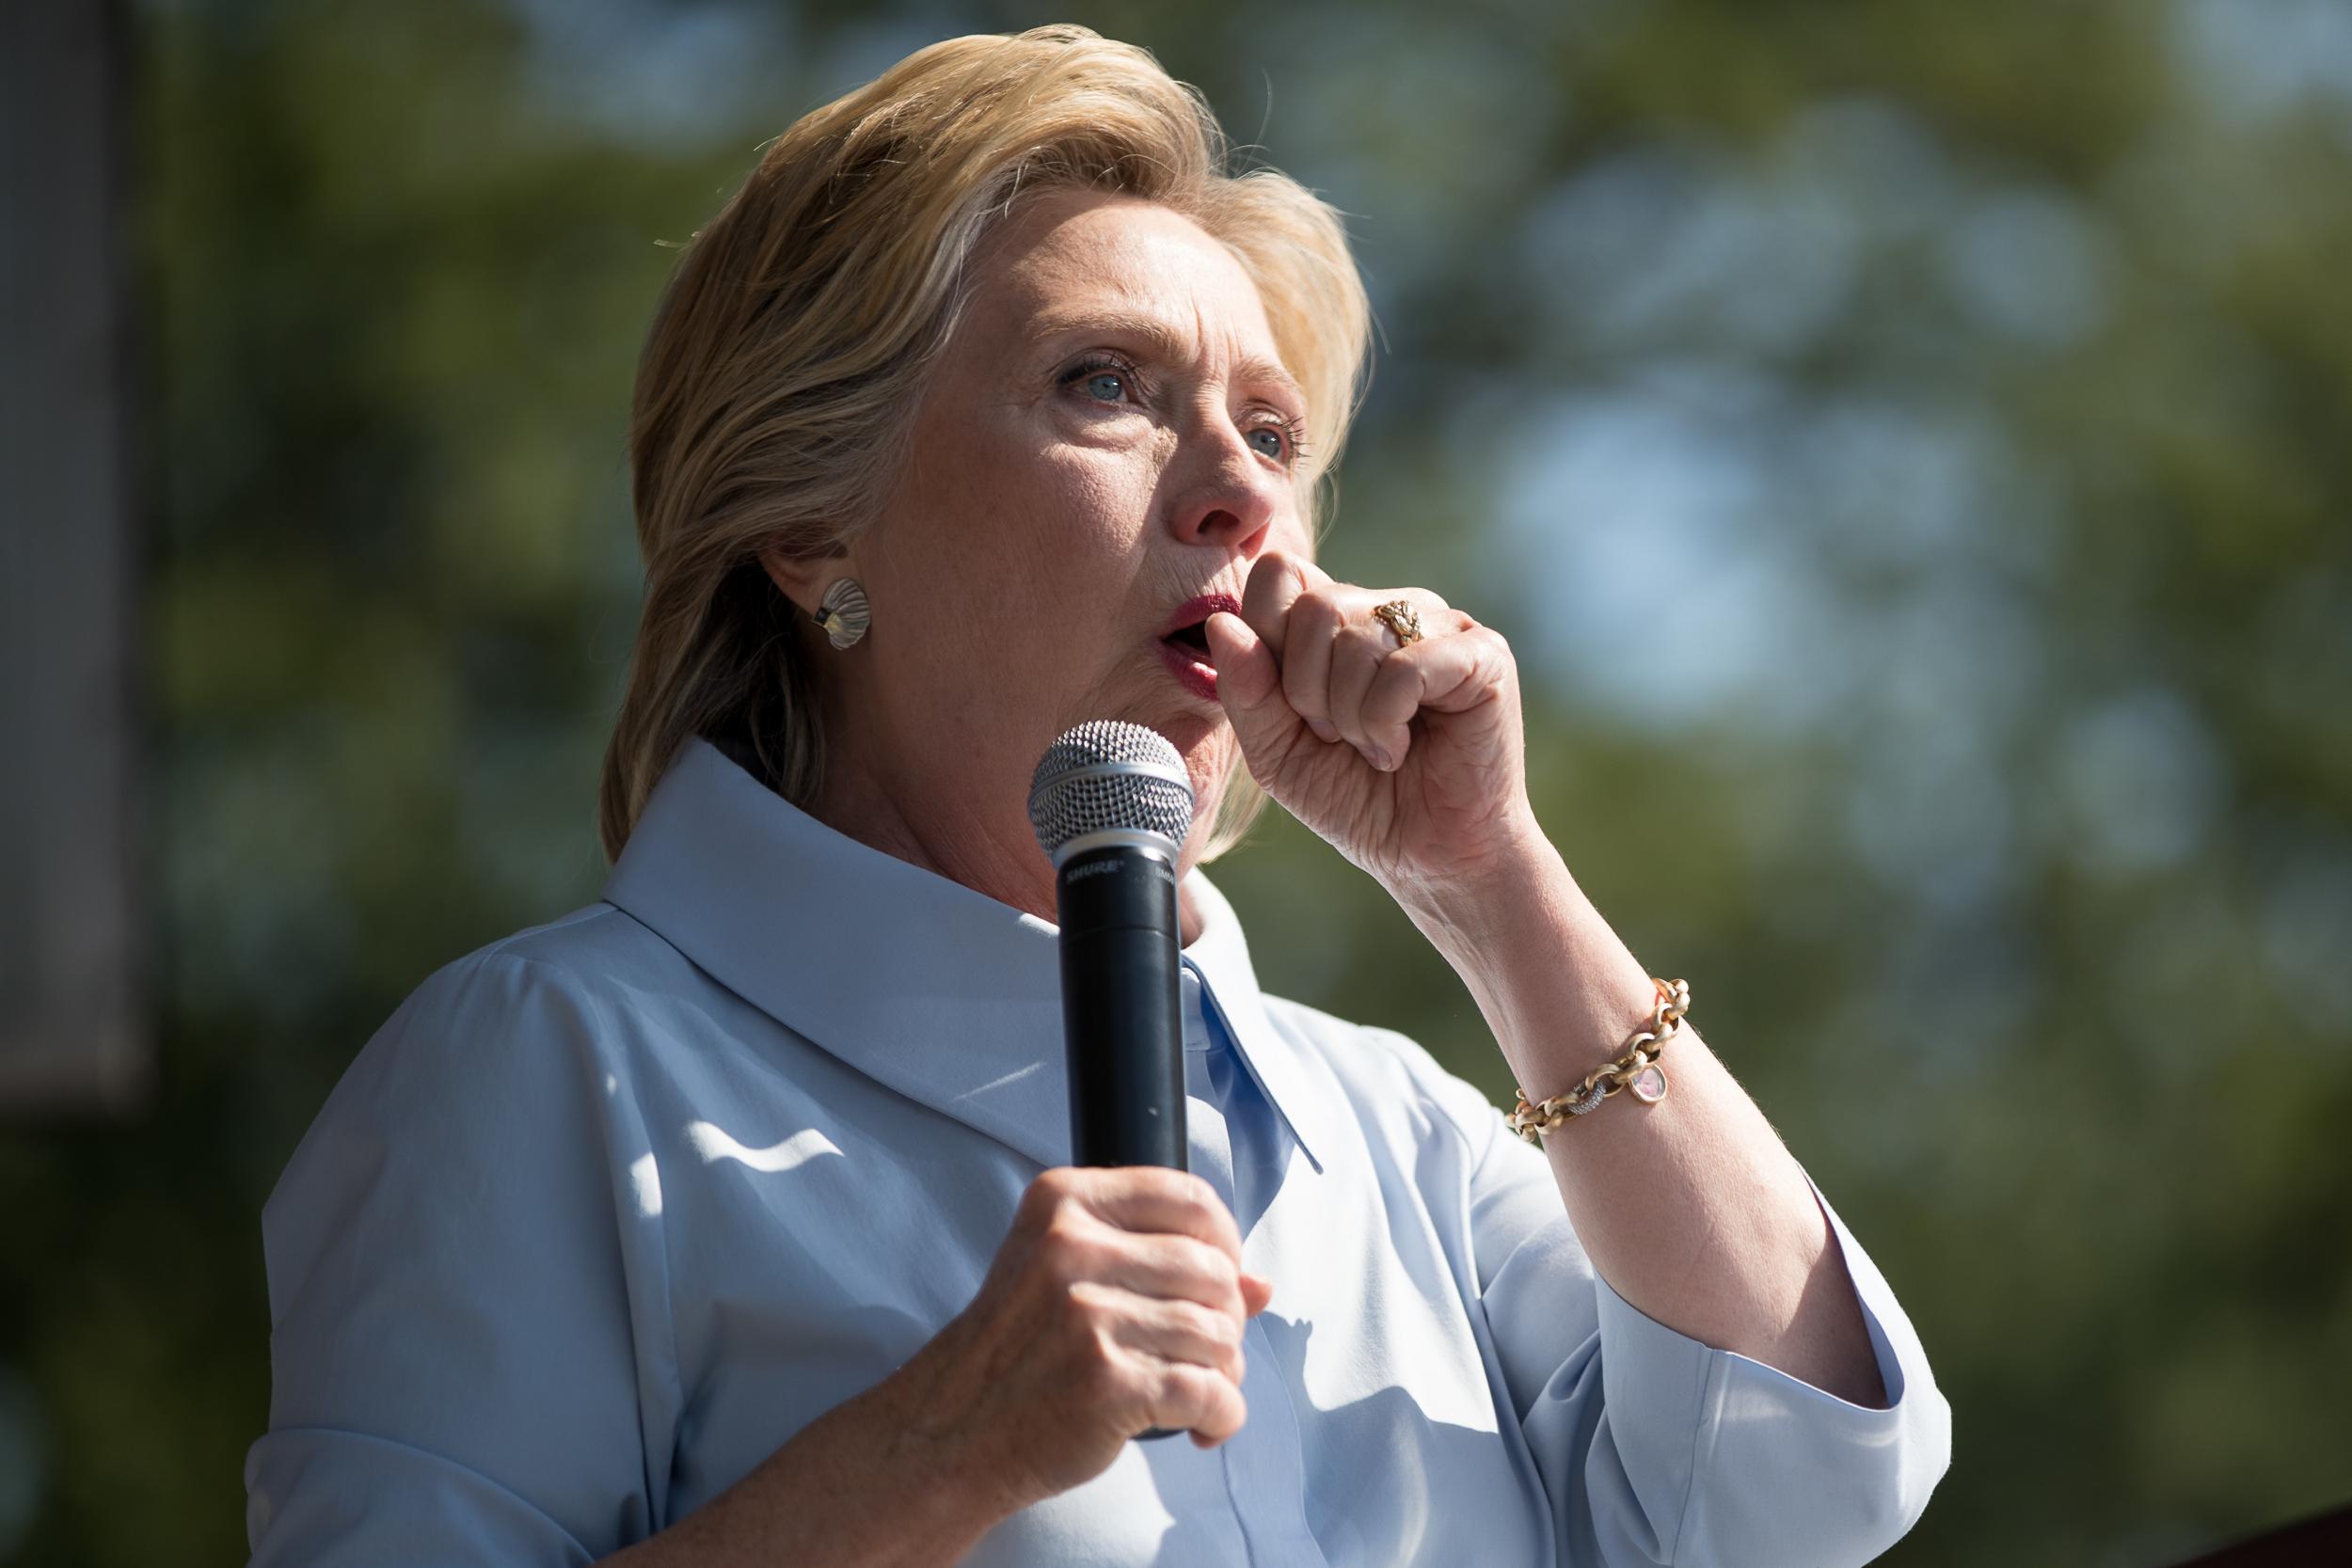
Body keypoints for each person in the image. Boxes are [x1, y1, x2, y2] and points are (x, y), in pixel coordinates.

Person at [244, 24, 1950, 1568]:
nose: (1236, 496)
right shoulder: (551, 1067)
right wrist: (936, 1451)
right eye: (1106, 385)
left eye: (1271, 433)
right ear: (813, 524)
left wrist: (1487, 875)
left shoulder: (1395, 1129)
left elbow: (1811, 1490)